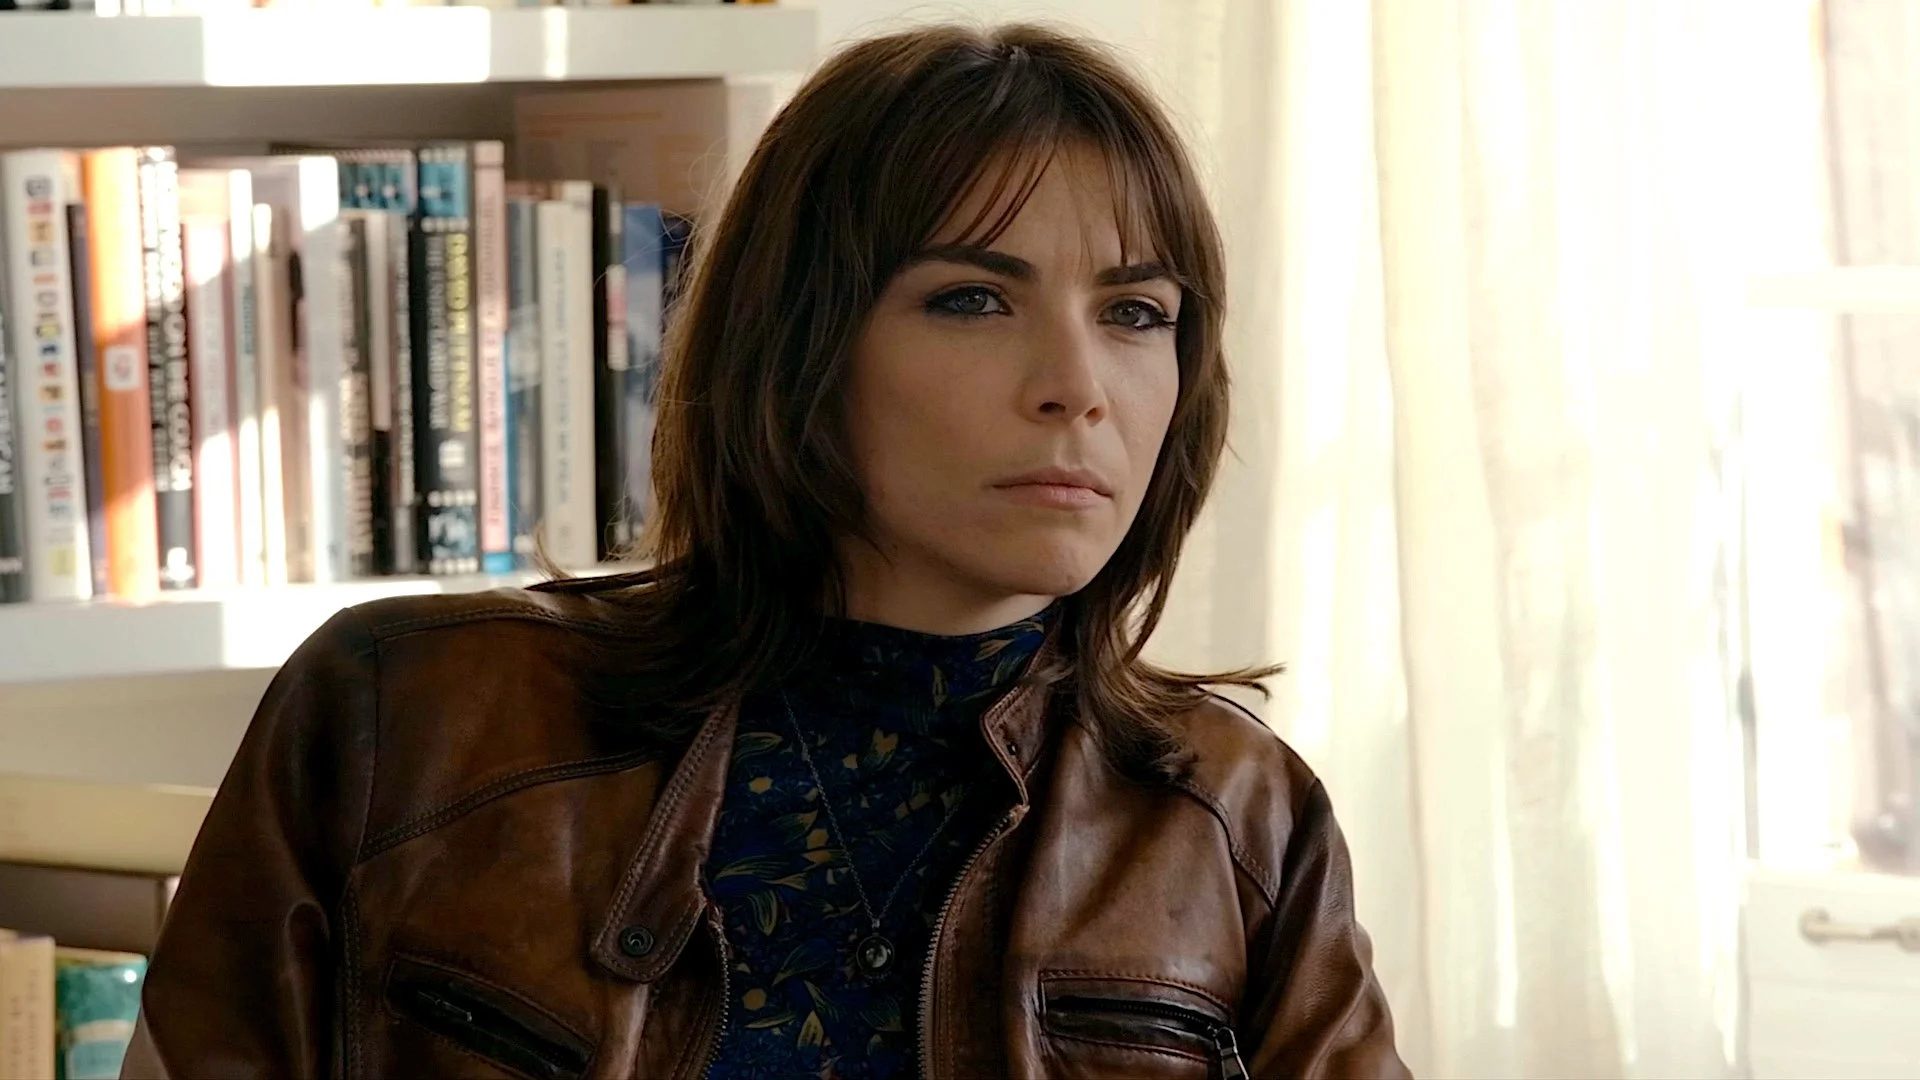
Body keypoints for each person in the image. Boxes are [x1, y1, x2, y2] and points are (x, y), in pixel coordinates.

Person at [122, 21, 1406, 1080]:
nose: (1079, 385)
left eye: (1136, 313)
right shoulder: (409, 717)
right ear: (803, 346)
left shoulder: (1234, 816)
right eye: (973, 299)